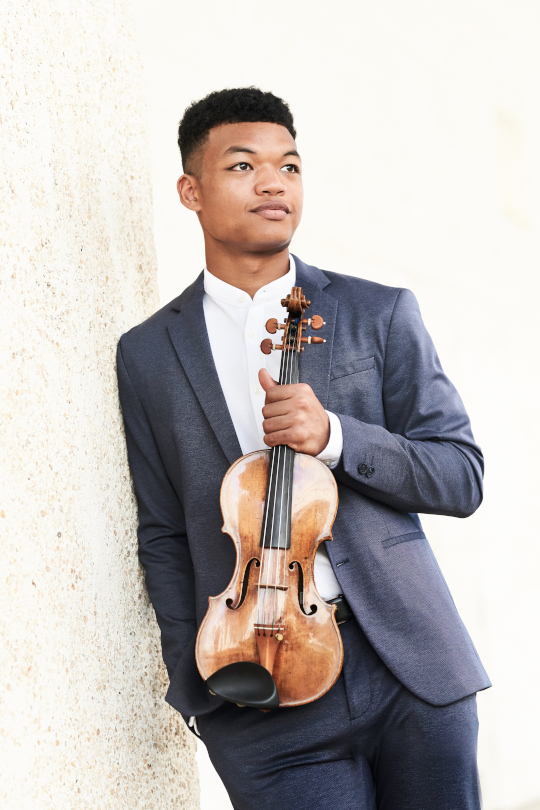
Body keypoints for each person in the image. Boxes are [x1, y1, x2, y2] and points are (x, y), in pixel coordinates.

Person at [117, 87, 490, 810]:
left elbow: (461, 474)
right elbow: (162, 532)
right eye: (244, 166)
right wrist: (198, 693)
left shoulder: (378, 313)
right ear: (190, 190)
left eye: (289, 166)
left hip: (409, 667)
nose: (273, 184)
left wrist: (337, 438)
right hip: (257, 694)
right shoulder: (149, 354)